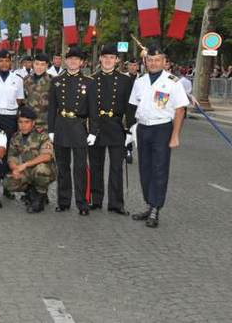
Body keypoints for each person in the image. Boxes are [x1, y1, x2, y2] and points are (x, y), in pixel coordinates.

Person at [129, 44, 189, 228]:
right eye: (150, 60)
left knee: (159, 169)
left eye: (157, 60)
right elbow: (133, 107)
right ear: (145, 62)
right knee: (145, 169)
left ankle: (156, 208)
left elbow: (180, 110)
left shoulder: (173, 82)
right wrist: (130, 130)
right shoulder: (140, 81)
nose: (153, 63)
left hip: (162, 129)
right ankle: (150, 203)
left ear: (164, 62)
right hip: (143, 128)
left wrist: (175, 136)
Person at [48, 46, 98, 215]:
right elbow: (52, 108)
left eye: (76, 59)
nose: (73, 62)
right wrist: (51, 129)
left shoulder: (89, 82)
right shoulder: (56, 81)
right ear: (66, 61)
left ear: (82, 63)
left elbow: (93, 110)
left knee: (80, 168)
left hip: (78, 127)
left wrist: (93, 132)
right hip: (61, 125)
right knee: (62, 167)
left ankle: (82, 203)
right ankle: (63, 201)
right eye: (70, 59)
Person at [88, 43, 133, 215]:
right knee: (96, 166)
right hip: (97, 127)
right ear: (100, 59)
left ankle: (116, 203)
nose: (108, 60)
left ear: (117, 60)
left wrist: (129, 130)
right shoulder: (92, 79)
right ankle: (96, 200)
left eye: (111, 58)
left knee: (116, 167)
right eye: (105, 57)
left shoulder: (125, 80)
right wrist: (90, 129)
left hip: (116, 127)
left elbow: (130, 107)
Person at [3, 106, 56, 213]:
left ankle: (40, 197)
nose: (23, 125)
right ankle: (32, 191)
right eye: (20, 122)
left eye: (27, 122)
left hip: (46, 170)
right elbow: (11, 156)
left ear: (33, 123)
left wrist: (25, 165)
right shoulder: (16, 137)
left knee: (41, 169)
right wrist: (15, 169)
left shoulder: (42, 135)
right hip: (27, 170)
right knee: (8, 182)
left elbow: (46, 156)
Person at [0, 49, 24, 141]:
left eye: (7, 61)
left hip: (11, 117)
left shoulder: (18, 80)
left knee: (9, 144)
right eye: (1, 61)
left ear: (11, 62)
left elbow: (19, 100)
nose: (4, 64)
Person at [23, 53, 52, 130]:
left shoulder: (52, 81)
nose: (39, 67)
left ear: (47, 66)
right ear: (33, 64)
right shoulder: (26, 80)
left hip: (45, 124)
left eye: (42, 64)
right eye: (37, 64)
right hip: (27, 123)